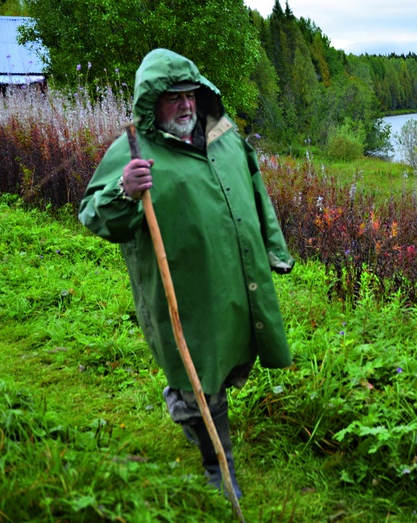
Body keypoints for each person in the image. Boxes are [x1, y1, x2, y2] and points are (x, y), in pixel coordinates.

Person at [79, 48, 293, 498]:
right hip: (184, 292)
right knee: (200, 375)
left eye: (190, 94)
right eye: (172, 97)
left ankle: (188, 408)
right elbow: (95, 216)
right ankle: (220, 469)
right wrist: (124, 190)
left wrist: (274, 248)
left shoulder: (225, 138)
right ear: (152, 101)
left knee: (232, 360)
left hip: (237, 281)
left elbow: (257, 193)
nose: (185, 105)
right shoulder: (134, 151)